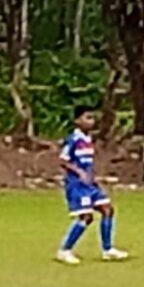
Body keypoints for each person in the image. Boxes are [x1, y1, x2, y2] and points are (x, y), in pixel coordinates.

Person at [55, 105, 129, 264]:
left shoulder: (88, 140)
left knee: (108, 209)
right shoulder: (73, 139)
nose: (91, 122)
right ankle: (65, 250)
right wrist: (79, 172)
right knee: (86, 218)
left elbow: (87, 162)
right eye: (87, 118)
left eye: (92, 118)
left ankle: (108, 249)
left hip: (90, 185)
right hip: (77, 185)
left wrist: (92, 176)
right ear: (77, 121)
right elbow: (63, 160)